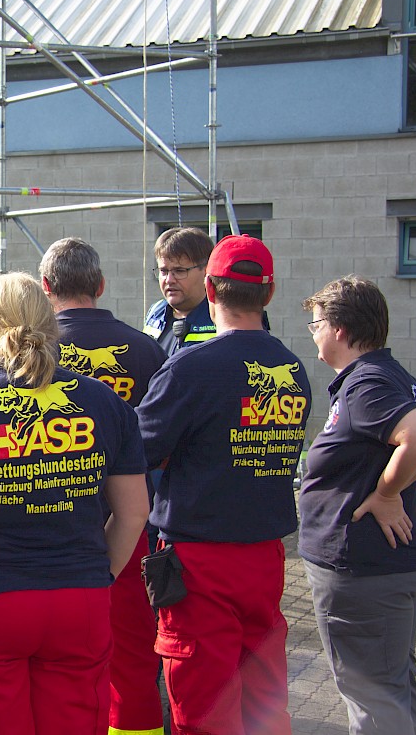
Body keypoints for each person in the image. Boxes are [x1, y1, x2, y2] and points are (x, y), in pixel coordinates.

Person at [0, 272, 150, 735]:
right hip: (78, 602)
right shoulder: (103, 401)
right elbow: (134, 510)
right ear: (52, 324)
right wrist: (98, 574)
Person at [135, 234, 311, 735]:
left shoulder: (193, 367)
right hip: (265, 557)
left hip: (199, 562)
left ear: (210, 289)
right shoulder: (293, 370)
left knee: (204, 706)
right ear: (270, 294)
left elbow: (138, 448)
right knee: (263, 701)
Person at [299, 276, 416, 735]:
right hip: (386, 566)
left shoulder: (367, 384)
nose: (313, 333)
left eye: (315, 324)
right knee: (393, 686)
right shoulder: (390, 376)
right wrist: (409, 478)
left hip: (364, 571)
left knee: (373, 695)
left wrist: (390, 493)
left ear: (340, 330)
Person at [40, 238, 167, 735]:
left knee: (56, 656)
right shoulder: (146, 348)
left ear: (47, 287)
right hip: (131, 518)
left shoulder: (36, 350)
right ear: (100, 285)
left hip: (48, 516)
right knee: (133, 652)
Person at [142, 227, 216, 355]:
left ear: (206, 271)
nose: (169, 280)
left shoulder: (220, 318)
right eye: (164, 271)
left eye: (179, 271)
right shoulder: (156, 312)